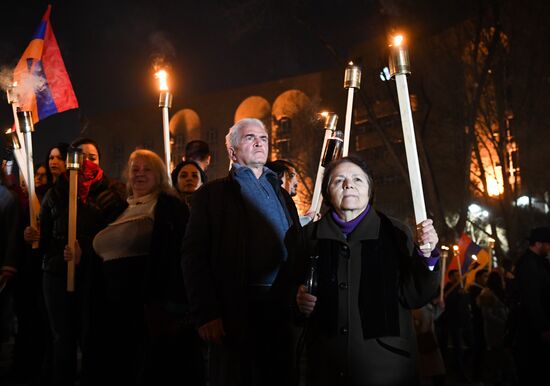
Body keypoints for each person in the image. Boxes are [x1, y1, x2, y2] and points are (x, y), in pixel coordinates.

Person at [295, 156, 441, 386]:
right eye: (338, 180)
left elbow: (415, 295)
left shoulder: (395, 233)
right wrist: (297, 298)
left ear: (370, 189)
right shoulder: (308, 237)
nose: (348, 184)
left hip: (387, 370)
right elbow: (285, 292)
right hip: (326, 368)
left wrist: (428, 255)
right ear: (327, 192)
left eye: (357, 179)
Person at [182, 118, 303, 386]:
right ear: (232, 150)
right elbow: (194, 256)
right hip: (237, 309)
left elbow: (298, 248)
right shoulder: (212, 196)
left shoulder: (282, 195)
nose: (259, 142)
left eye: (263, 138)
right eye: (250, 137)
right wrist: (206, 312)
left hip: (282, 309)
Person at [87, 149, 203, 386]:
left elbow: (178, 253)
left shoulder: (169, 207)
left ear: (159, 175)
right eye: (135, 169)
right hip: (110, 303)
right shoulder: (119, 207)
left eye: (146, 169)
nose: (139, 174)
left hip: (145, 304)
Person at [39, 139, 126, 386]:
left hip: (95, 278)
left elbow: (116, 236)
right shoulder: (56, 192)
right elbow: (45, 237)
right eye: (81, 156)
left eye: (93, 157)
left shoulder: (115, 191)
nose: (87, 162)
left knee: (93, 337)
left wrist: (85, 250)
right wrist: (39, 240)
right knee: (62, 339)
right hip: (57, 275)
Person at [513, 226, 550, 385]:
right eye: (548, 244)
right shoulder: (528, 264)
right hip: (532, 330)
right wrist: (543, 327)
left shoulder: (539, 262)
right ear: (539, 244)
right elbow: (532, 298)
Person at [477, 270, 517, 384]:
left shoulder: (499, 292)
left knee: (501, 355)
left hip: (501, 329)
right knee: (496, 355)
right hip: (494, 330)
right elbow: (487, 315)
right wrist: (503, 322)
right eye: (502, 280)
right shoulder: (487, 293)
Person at [266, 159, 318, 226]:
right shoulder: (271, 203)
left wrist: (307, 219)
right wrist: (308, 219)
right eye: (291, 176)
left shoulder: (284, 204)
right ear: (277, 177)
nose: (296, 182)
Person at [467, 269, 488, 381]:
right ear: (478, 278)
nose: (486, 279)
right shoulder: (474, 290)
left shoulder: (483, 290)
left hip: (482, 324)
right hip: (477, 324)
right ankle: (476, 375)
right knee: (478, 349)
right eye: (485, 277)